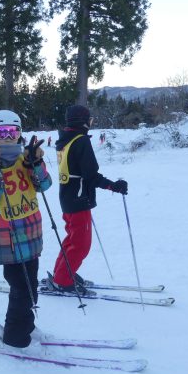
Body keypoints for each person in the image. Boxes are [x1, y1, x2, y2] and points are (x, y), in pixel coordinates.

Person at [0, 110, 52, 351]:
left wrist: (36, 165)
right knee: (20, 288)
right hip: (8, 236)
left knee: (31, 284)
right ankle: (14, 337)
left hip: (31, 231)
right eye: (1, 132)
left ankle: (26, 324)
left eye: (13, 131)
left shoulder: (26, 157)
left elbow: (44, 185)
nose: (8, 136)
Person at [48, 105, 128, 295]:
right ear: (82, 121)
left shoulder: (65, 140)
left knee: (72, 240)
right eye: (89, 120)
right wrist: (113, 186)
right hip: (78, 200)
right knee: (81, 245)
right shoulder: (81, 141)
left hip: (69, 199)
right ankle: (62, 280)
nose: (90, 124)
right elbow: (91, 175)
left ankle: (63, 273)